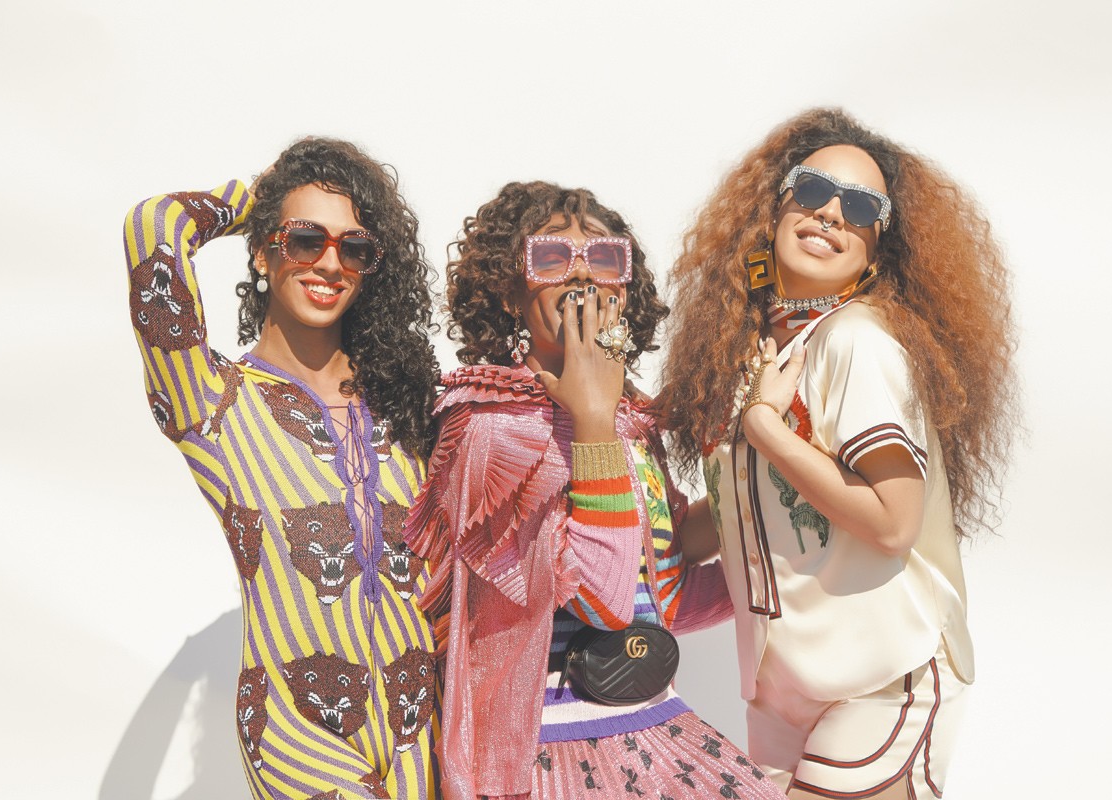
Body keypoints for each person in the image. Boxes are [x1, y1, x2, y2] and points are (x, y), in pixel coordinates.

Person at [658, 108, 1018, 799]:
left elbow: (893, 522)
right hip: (784, 684)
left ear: (877, 251)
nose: (829, 214)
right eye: (813, 190)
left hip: (882, 675)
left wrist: (766, 429)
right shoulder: (759, 350)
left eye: (859, 208)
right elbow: (741, 514)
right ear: (774, 208)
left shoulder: (857, 342)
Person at [404, 181, 784, 800]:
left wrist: (777, 517)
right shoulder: (492, 428)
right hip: (547, 756)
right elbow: (602, 603)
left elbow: (655, 601)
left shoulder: (629, 421)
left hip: (650, 728)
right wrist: (592, 417)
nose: (581, 275)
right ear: (509, 291)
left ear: (624, 291)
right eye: (552, 256)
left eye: (604, 258)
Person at [122, 138, 443, 799]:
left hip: (421, 724)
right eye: (304, 239)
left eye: (354, 248)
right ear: (263, 252)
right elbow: (154, 224)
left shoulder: (408, 406)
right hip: (295, 731)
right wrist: (254, 199)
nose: (330, 262)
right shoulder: (210, 399)